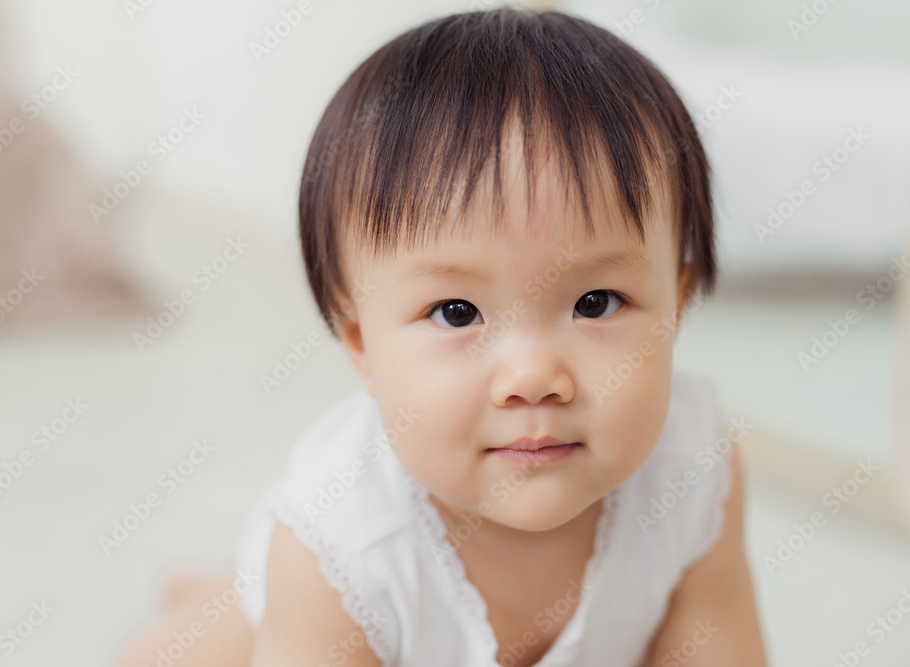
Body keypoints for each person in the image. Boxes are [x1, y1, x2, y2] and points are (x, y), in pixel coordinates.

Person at [114, 7, 767, 666]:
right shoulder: (337, 549)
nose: (533, 375)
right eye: (457, 311)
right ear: (361, 342)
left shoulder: (694, 467)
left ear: (676, 306)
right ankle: (218, 593)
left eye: (596, 303)